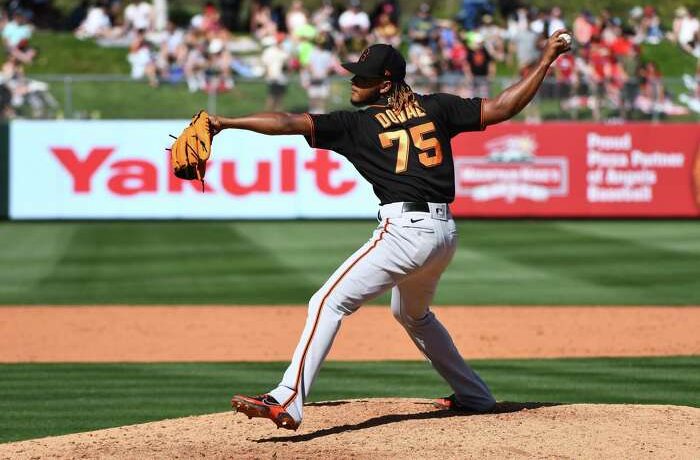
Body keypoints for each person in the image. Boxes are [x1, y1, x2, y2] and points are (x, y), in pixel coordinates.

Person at [213, 32, 572, 430]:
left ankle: (288, 398)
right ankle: (475, 396)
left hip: (405, 231)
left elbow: (286, 121)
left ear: (385, 84)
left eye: (362, 78)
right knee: (413, 314)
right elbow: (504, 106)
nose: (353, 82)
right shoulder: (438, 108)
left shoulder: (354, 125)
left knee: (327, 303)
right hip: (443, 234)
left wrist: (225, 122)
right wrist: (545, 61)